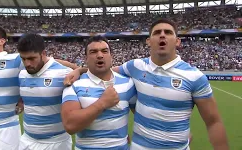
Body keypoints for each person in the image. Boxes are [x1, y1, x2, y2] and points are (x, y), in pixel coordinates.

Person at [62, 19, 229, 150]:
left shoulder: (195, 77)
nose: (162, 35)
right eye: (157, 32)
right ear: (148, 41)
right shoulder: (135, 66)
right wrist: (80, 70)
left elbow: (214, 122)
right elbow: (104, 69)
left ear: (177, 41)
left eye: (168, 32)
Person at [61, 36, 137, 149]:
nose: (100, 55)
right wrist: (102, 103)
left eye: (105, 51)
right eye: (93, 52)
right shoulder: (74, 84)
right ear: (85, 58)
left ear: (111, 56)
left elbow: (143, 117)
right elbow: (70, 125)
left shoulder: (128, 84)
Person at [17, 33, 72, 150]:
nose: (27, 64)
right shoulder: (22, 74)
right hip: (26, 140)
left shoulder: (64, 73)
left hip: (56, 143)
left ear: (43, 54)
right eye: (23, 59)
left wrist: (79, 70)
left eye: (32, 58)